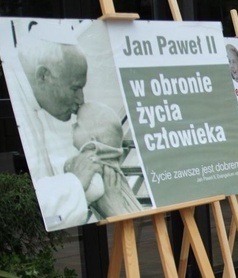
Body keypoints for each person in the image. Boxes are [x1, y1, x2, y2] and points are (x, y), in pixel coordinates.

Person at [12, 30, 101, 230]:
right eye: (75, 88)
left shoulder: (29, 100)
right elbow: (30, 204)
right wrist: (75, 181)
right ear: (43, 75)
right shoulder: (14, 105)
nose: (81, 100)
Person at [66, 101, 143, 219]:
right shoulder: (107, 161)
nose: (72, 126)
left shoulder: (93, 162)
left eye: (77, 124)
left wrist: (70, 174)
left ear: (91, 140)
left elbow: (95, 189)